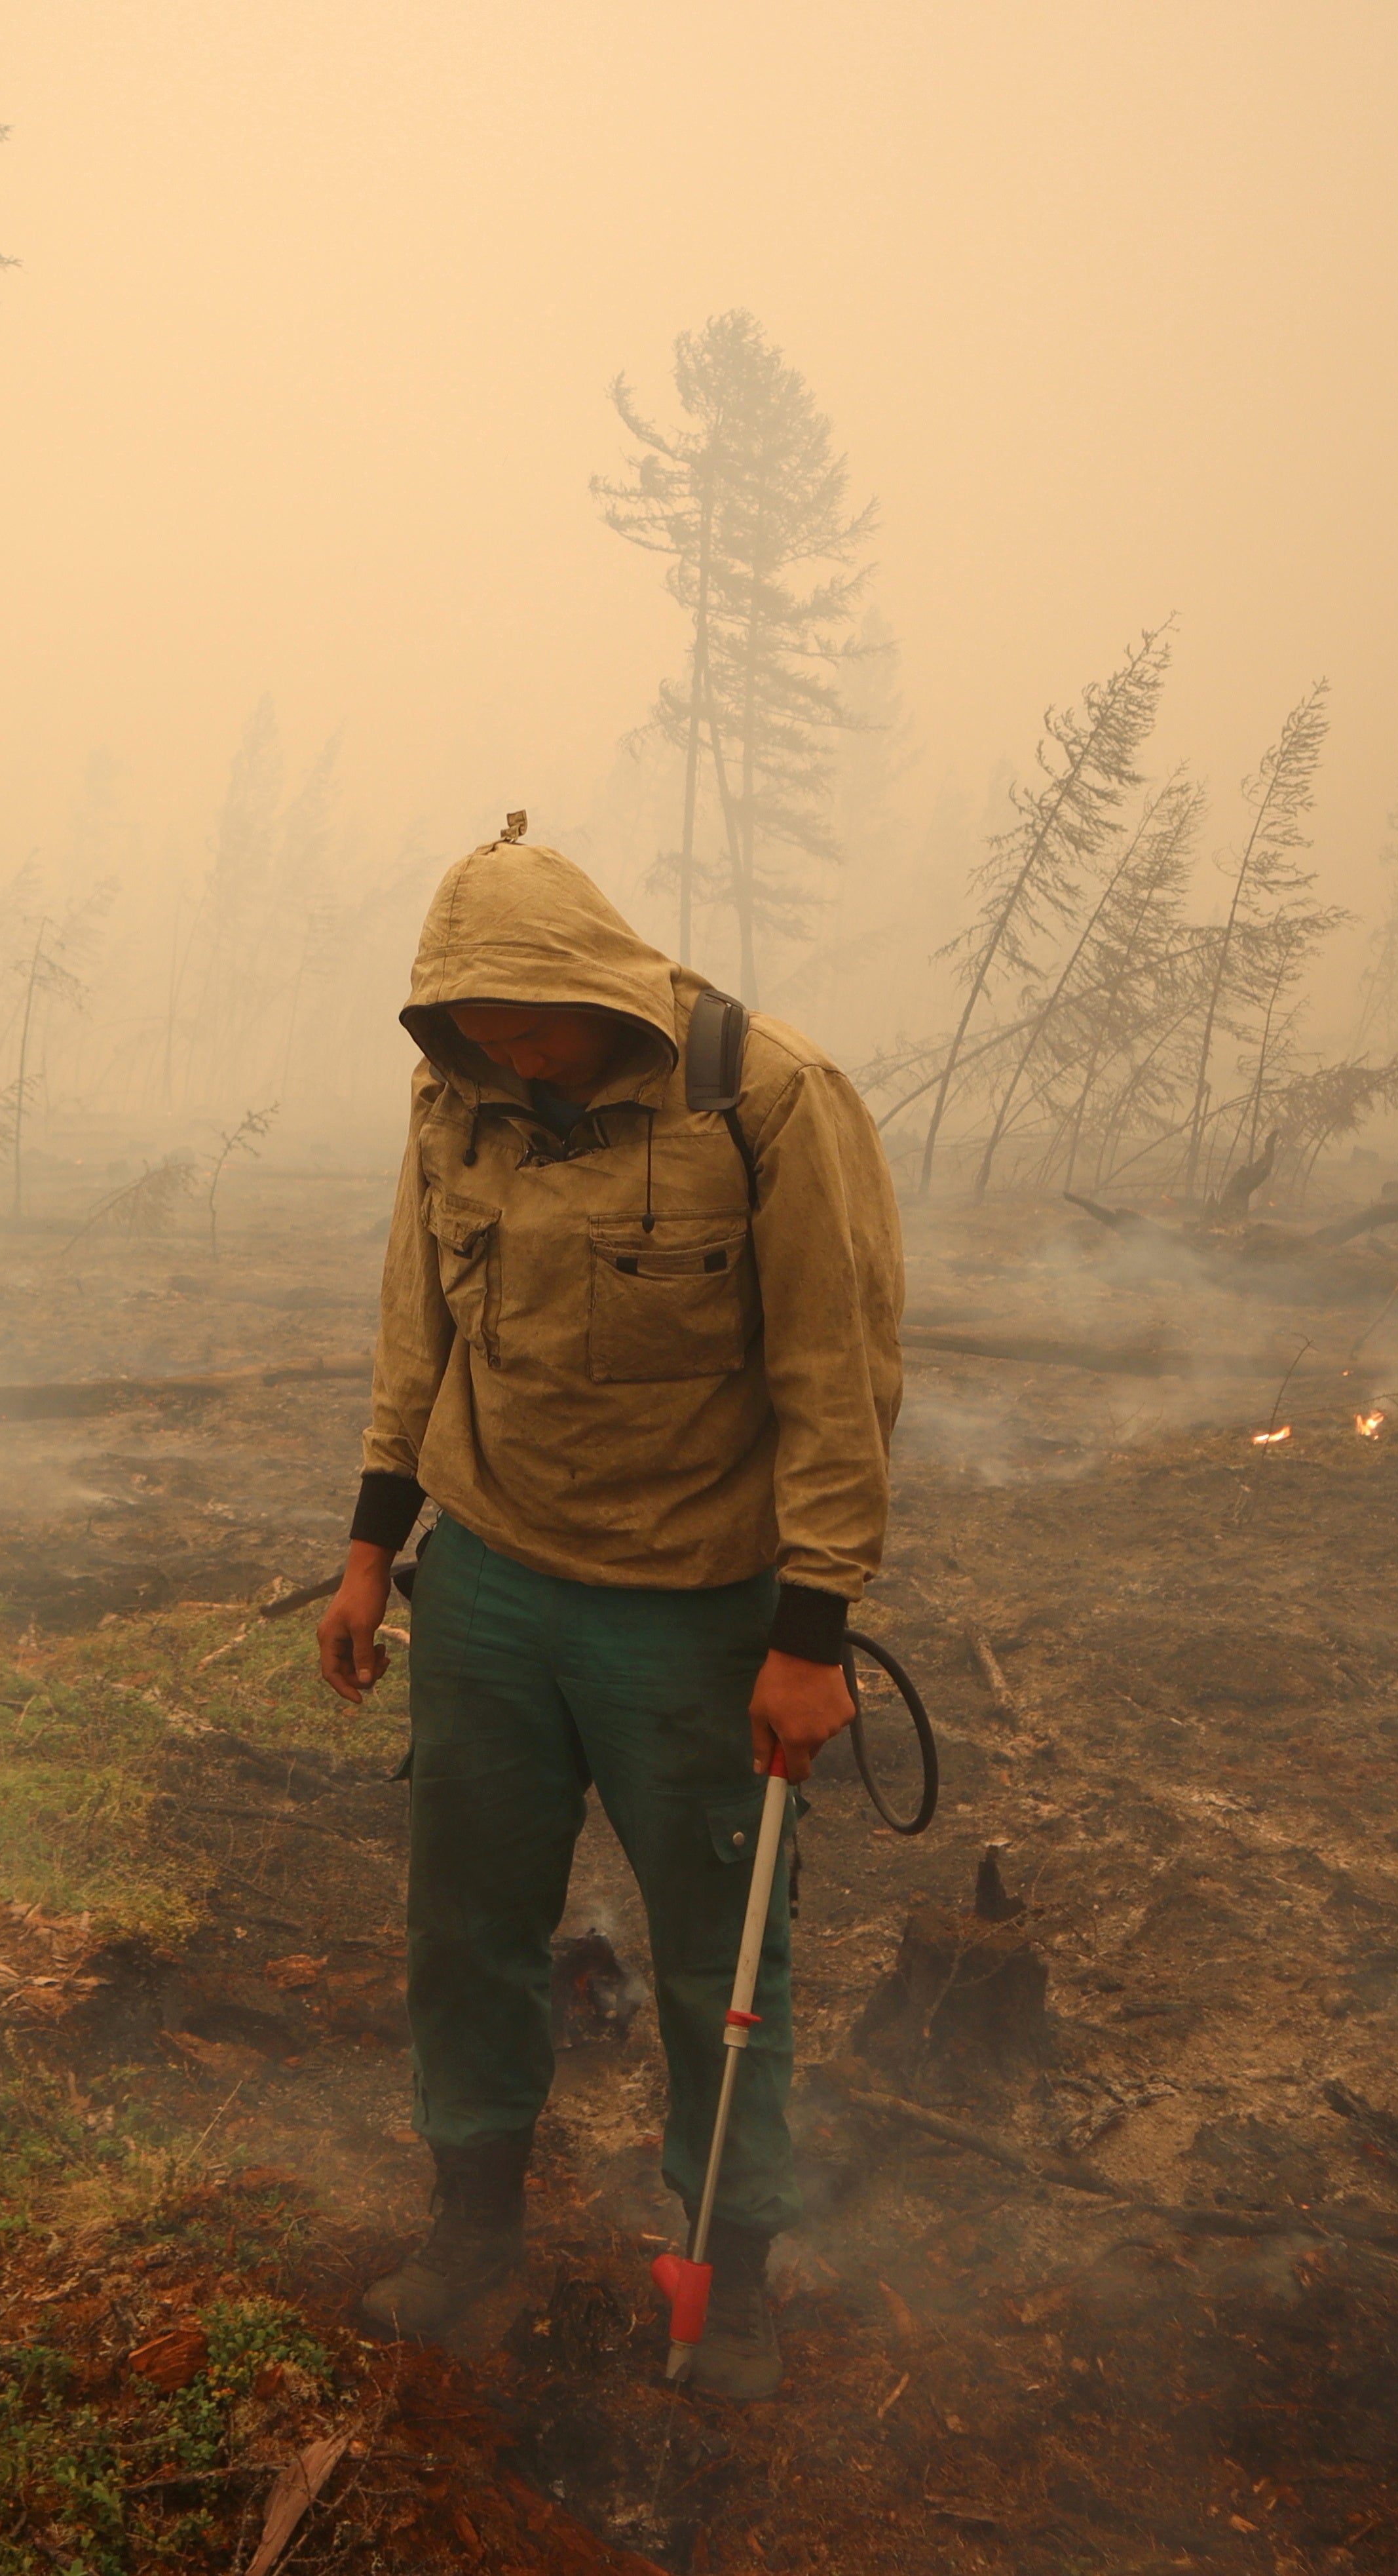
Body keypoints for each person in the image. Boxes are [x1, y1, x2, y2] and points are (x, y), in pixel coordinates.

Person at [317, 820, 903, 2402]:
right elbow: (411, 1322)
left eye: (514, 1012)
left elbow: (840, 1379)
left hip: (693, 1612)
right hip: (493, 1585)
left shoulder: (764, 1097)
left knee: (727, 1963)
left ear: (592, 978)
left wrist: (813, 1630)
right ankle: (474, 2220)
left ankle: (736, 2273)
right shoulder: (461, 1104)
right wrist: (376, 1546)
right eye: (464, 1021)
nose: (493, 1045)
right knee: (465, 1921)